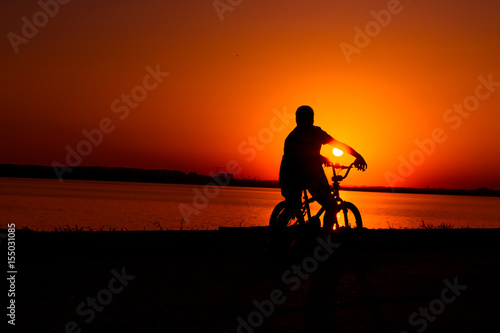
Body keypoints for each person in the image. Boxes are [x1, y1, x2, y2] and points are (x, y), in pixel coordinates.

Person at [279, 105, 367, 233]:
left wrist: (319, 157)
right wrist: (357, 155)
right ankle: (325, 240)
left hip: (290, 177)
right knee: (331, 206)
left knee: (292, 207)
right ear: (311, 119)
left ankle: (276, 236)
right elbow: (336, 144)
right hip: (306, 176)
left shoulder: (292, 137)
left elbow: (302, 153)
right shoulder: (315, 133)